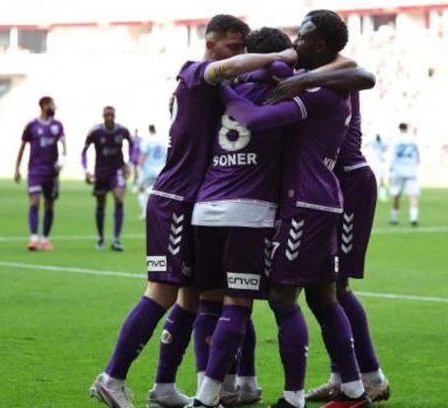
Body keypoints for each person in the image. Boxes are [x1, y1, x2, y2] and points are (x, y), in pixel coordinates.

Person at [89, 14, 297, 408]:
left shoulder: (222, 87)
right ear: (211, 43)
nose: (239, 55)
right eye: (233, 47)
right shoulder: (197, 72)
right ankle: (111, 378)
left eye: (242, 48)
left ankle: (165, 387)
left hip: (196, 200)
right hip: (176, 198)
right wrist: (281, 55)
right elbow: (229, 69)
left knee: (193, 298)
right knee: (162, 293)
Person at [214, 11, 375, 408]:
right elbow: (284, 71)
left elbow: (255, 117)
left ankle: (297, 397)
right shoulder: (318, 79)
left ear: (320, 45)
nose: (295, 42)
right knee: (324, 297)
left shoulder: (322, 90)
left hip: (311, 200)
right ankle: (354, 390)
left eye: (301, 37)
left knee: (285, 297)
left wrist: (216, 84)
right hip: (321, 197)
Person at [188, 27, 294, 408]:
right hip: (248, 211)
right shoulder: (282, 90)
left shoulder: (220, 88)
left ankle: (235, 384)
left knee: (209, 303)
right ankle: (206, 397)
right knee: (238, 304)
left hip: (205, 209)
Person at [14, 96, 66, 251]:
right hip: (35, 171)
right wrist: (17, 168)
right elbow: (22, 147)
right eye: (52, 105)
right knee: (34, 202)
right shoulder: (31, 126)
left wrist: (61, 162)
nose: (54, 108)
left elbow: (64, 146)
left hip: (52, 173)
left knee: (49, 205)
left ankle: (45, 239)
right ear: (44, 106)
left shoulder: (57, 126)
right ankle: (34, 238)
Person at [81, 106, 134, 251]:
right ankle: (100, 238)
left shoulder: (122, 131)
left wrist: (129, 164)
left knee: (119, 199)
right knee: (101, 204)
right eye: (107, 115)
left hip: (117, 170)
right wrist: (86, 171)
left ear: (115, 116)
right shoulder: (95, 132)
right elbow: (84, 151)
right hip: (101, 172)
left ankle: (116, 239)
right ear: (103, 116)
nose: (109, 117)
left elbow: (133, 146)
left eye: (111, 115)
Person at [389, 122, 420, 226]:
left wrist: (390, 171)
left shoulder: (395, 139)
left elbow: (392, 156)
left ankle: (394, 217)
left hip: (398, 169)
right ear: (407, 128)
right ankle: (413, 217)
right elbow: (418, 156)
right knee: (413, 194)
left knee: (396, 194)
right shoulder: (414, 139)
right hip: (411, 169)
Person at [136, 125, 166, 220]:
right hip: (160, 169)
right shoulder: (162, 141)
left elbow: (143, 155)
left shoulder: (147, 141)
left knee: (141, 190)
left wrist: (139, 166)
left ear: (149, 130)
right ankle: (159, 212)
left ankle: (145, 212)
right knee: (159, 192)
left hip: (149, 170)